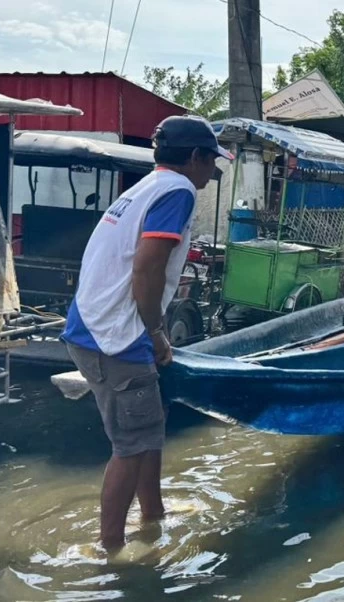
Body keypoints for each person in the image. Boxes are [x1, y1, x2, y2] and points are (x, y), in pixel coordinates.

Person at [62, 115, 227, 552]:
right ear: (195, 157)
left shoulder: (146, 186)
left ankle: (153, 517)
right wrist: (155, 332)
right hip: (116, 334)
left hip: (92, 324)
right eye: (211, 160)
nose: (213, 171)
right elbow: (148, 266)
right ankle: (110, 552)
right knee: (131, 446)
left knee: (149, 428)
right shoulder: (179, 190)